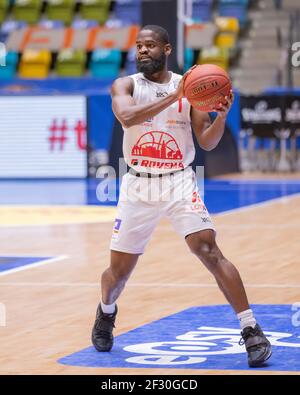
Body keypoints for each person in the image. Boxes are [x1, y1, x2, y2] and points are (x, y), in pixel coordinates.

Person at [91, 25, 272, 367]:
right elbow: (128, 118)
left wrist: (222, 117)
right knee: (118, 273)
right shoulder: (126, 85)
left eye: (150, 45)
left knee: (209, 249)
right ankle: (106, 311)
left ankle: (251, 330)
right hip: (138, 185)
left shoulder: (188, 90)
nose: (142, 51)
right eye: (139, 46)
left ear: (167, 49)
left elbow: (206, 142)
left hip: (178, 181)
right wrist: (177, 97)